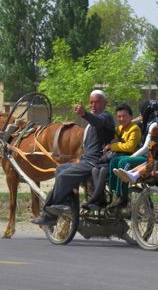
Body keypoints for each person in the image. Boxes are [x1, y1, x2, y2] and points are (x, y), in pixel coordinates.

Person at [31, 90, 115, 226]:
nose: (93, 105)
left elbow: (98, 123)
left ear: (105, 103)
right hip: (85, 160)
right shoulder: (91, 122)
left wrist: (84, 114)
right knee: (60, 169)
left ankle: (50, 214)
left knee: (64, 176)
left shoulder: (106, 117)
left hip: (95, 163)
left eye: (97, 102)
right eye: (91, 102)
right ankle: (63, 202)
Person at [84, 103, 141, 210]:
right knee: (95, 169)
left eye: (124, 116)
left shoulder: (134, 129)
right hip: (116, 156)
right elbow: (114, 141)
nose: (121, 119)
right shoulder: (119, 129)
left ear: (131, 116)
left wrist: (111, 146)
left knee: (102, 171)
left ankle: (94, 199)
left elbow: (129, 147)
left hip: (128, 157)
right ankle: (100, 199)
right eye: (119, 117)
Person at [108, 100, 158, 207]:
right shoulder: (149, 124)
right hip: (147, 156)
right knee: (114, 160)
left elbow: (146, 148)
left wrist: (132, 156)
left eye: (141, 112)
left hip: (150, 158)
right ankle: (115, 193)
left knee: (123, 162)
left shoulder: (154, 125)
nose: (140, 115)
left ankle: (123, 197)